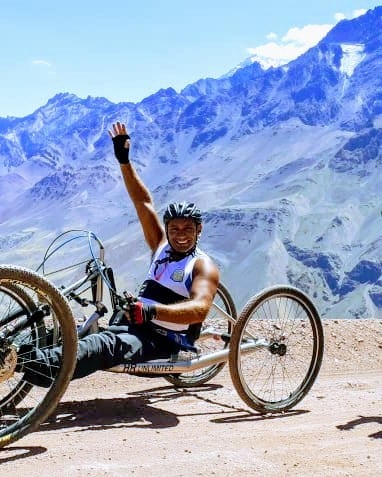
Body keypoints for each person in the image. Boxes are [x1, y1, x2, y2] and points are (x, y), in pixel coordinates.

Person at [17, 122, 220, 387]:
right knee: (69, 334)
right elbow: (143, 202)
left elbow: (199, 310)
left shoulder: (202, 266)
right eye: (175, 229)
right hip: (133, 324)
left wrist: (150, 311)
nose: (181, 234)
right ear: (167, 231)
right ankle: (21, 354)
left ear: (199, 230)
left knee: (102, 346)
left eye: (188, 229)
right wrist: (124, 160)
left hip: (161, 339)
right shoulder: (161, 245)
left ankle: (26, 364)